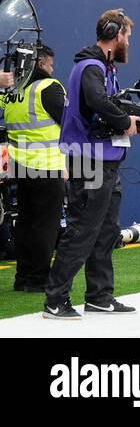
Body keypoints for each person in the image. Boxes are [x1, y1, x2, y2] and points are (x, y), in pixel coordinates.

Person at [44, 9, 140, 319]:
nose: (128, 41)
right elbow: (99, 101)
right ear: (114, 35)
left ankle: (99, 295)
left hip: (104, 159)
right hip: (90, 160)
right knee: (83, 230)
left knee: (106, 230)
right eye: (126, 35)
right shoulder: (91, 67)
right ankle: (55, 299)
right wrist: (125, 121)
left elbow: (103, 103)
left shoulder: (102, 67)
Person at [3, 45, 55, 292]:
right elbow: (71, 122)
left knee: (24, 223)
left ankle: (22, 277)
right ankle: (38, 279)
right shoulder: (49, 88)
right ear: (42, 64)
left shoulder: (12, 91)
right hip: (47, 167)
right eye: (51, 64)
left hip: (20, 167)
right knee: (45, 225)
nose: (53, 69)